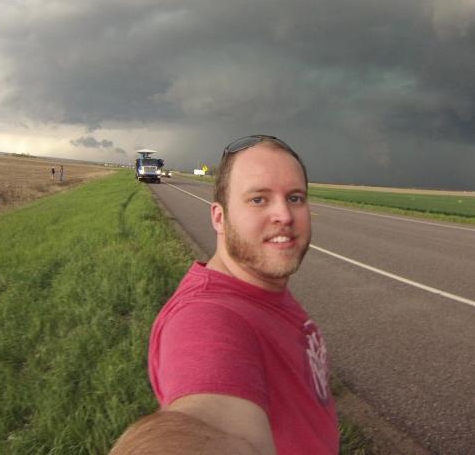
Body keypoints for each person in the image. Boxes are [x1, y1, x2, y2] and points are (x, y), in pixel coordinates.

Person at [110, 135, 339, 455]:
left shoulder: (264, 288)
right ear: (219, 217)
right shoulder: (206, 317)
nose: (285, 215)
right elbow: (208, 425)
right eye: (259, 199)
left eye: (295, 198)